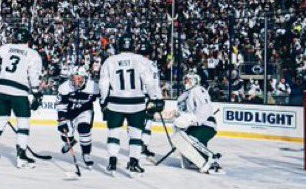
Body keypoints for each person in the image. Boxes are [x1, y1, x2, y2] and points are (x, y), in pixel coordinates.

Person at [0, 27, 44, 168]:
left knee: (1, 120)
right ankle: (21, 157)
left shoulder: (7, 48)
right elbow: (33, 74)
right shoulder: (32, 54)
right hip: (19, 91)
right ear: (28, 40)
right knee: (23, 122)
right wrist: (36, 92)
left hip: (1, 89)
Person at [98, 35, 163, 173]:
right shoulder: (142, 60)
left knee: (113, 133)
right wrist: (155, 98)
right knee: (136, 135)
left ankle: (112, 162)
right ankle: (134, 163)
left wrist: (103, 101)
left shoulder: (110, 60)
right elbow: (149, 82)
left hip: (115, 102)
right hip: (136, 103)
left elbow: (103, 84)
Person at [163, 73, 221, 173]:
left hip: (205, 124)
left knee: (190, 139)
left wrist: (195, 120)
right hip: (193, 125)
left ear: (195, 81)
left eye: (188, 80)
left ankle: (211, 161)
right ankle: (193, 160)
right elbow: (185, 113)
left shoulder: (198, 90)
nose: (186, 82)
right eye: (185, 80)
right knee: (181, 139)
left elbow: (205, 107)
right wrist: (178, 116)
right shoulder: (184, 95)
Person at [56, 66, 99, 166]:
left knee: (84, 129)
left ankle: (86, 153)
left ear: (85, 78)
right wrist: (62, 121)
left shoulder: (93, 87)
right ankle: (69, 141)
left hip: (85, 111)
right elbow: (61, 105)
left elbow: (103, 96)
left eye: (79, 78)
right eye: (74, 78)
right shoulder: (64, 87)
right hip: (69, 112)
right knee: (66, 133)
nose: (76, 82)